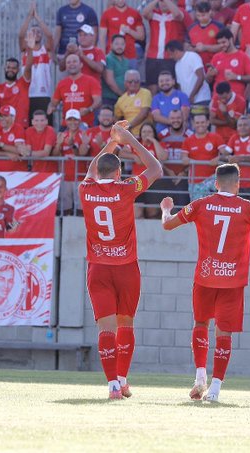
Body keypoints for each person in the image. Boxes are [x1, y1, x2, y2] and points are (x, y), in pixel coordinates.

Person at [159, 163, 250, 402]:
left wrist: (165, 208)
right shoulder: (247, 207)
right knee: (224, 334)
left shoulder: (200, 205)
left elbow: (167, 224)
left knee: (200, 323)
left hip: (205, 276)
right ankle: (214, 390)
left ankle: (200, 375)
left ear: (215, 182)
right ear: (238, 184)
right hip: (232, 281)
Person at [79, 120, 163, 399]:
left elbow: (94, 168)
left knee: (105, 328)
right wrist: (129, 139)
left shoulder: (86, 190)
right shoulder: (126, 189)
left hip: (98, 268)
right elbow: (156, 169)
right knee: (125, 324)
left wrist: (112, 141)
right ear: (118, 172)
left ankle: (113, 385)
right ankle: (123, 378)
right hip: (126, 267)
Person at [0, 35, 34, 130]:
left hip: (21, 127)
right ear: (4, 68)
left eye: (14, 68)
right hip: (5, 128)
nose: (10, 70)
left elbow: (28, 67)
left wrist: (31, 49)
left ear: (18, 70)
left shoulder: (23, 83)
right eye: (8, 67)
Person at [19, 3, 55, 126]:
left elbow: (50, 35)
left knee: (46, 125)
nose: (36, 33)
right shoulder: (25, 49)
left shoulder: (46, 50)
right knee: (29, 125)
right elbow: (20, 35)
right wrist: (29, 16)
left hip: (44, 94)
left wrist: (37, 17)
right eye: (33, 31)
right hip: (27, 93)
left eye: (39, 32)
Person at [142, 0, 188, 93]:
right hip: (153, 57)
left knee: (170, 86)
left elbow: (178, 15)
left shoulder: (178, 12)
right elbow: (145, 13)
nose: (163, 3)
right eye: (161, 1)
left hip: (170, 57)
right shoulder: (154, 14)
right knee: (152, 88)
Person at [126, 122, 168, 218]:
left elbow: (163, 157)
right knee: (137, 211)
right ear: (140, 133)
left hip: (154, 183)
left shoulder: (159, 144)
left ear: (154, 133)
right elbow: (121, 153)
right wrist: (133, 156)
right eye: (144, 132)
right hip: (138, 182)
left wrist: (153, 140)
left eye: (149, 132)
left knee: (152, 212)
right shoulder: (136, 144)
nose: (146, 134)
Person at [49, 53, 102, 127]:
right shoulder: (62, 83)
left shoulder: (91, 81)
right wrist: (51, 107)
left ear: (81, 65)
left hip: (85, 124)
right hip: (66, 125)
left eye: (74, 61)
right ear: (66, 67)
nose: (71, 64)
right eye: (68, 62)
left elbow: (98, 101)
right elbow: (54, 102)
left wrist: (89, 109)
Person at [182, 113, 226, 201]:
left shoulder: (216, 137)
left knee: (212, 208)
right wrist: (187, 160)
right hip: (195, 182)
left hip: (213, 181)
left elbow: (226, 154)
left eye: (202, 122)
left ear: (208, 123)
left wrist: (219, 158)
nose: (200, 125)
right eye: (197, 123)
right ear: (193, 124)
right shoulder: (188, 141)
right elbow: (184, 159)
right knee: (197, 210)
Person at [54, 109, 91, 214]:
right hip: (65, 177)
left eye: (75, 120)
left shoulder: (84, 134)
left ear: (79, 121)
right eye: (70, 120)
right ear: (66, 121)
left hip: (80, 177)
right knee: (65, 209)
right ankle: (64, 230)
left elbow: (82, 154)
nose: (72, 122)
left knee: (81, 209)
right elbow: (55, 155)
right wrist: (58, 144)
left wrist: (72, 146)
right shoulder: (62, 135)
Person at [225, 116, 250, 207]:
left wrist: (239, 158)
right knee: (239, 212)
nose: (242, 127)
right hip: (238, 183)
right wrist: (229, 158)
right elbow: (224, 154)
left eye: (245, 125)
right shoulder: (234, 137)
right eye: (240, 125)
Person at [206, 28, 250, 100]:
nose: (221, 45)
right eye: (219, 43)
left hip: (236, 99)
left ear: (231, 39)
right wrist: (210, 75)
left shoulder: (243, 56)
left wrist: (236, 77)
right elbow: (208, 80)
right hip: (217, 99)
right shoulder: (216, 57)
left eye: (223, 42)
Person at [157, 109, 193, 207]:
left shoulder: (191, 135)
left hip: (184, 177)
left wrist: (184, 173)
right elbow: (158, 156)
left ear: (183, 118)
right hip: (166, 176)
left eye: (178, 118)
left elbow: (195, 156)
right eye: (173, 118)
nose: (175, 120)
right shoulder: (162, 135)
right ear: (169, 119)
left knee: (182, 207)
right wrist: (168, 171)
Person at [99, 0, 144, 67]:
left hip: (130, 56)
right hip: (112, 56)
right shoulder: (106, 14)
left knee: (131, 77)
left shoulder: (134, 13)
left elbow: (141, 37)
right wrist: (103, 56)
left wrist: (129, 31)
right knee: (111, 77)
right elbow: (102, 38)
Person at [165, 40, 211, 106]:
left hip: (202, 99)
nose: (170, 57)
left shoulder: (192, 56)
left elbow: (201, 77)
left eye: (170, 54)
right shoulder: (177, 65)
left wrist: (192, 96)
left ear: (176, 51)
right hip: (188, 102)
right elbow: (180, 85)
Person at [0, 106, 27, 172]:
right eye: (0, 116)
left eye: (5, 116)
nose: (2, 119)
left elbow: (19, 151)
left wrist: (1, 145)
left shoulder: (18, 128)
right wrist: (7, 154)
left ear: (13, 117)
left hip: (17, 172)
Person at [186, 1, 225, 67]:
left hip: (215, 63)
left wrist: (205, 47)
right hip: (195, 65)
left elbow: (224, 45)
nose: (201, 18)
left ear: (210, 12)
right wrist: (193, 49)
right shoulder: (191, 27)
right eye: (198, 15)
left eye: (203, 15)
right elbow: (186, 44)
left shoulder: (219, 26)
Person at [114, 70, 152, 135]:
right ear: (125, 83)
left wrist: (129, 126)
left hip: (144, 133)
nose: (133, 84)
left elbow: (144, 113)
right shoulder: (121, 99)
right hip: (129, 134)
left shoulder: (145, 93)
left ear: (140, 82)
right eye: (130, 82)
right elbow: (117, 118)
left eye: (136, 81)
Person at [102, 34, 131, 107]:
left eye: (122, 44)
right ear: (111, 45)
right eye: (117, 43)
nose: (120, 46)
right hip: (109, 98)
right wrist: (122, 95)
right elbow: (110, 81)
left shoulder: (126, 61)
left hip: (123, 98)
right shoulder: (108, 59)